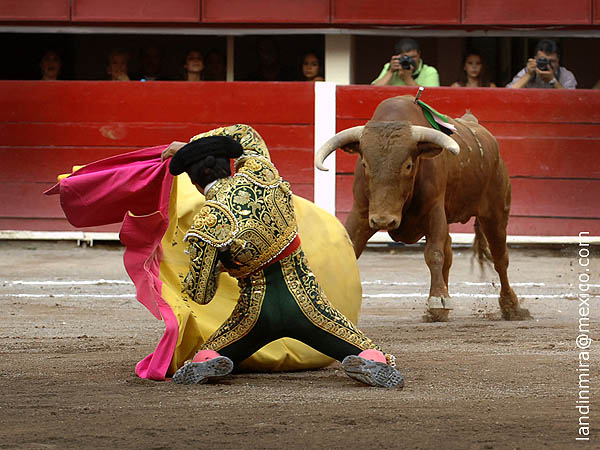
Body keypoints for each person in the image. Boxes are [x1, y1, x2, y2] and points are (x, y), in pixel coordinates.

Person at [160, 124, 404, 388]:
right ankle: (371, 359)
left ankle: (207, 361)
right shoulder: (259, 172)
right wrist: (191, 144)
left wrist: (223, 266)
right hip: (307, 302)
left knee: (212, 351)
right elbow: (245, 132)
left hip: (254, 314)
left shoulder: (206, 223)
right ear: (228, 164)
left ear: (194, 181)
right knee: (360, 345)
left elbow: (200, 295)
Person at [507, 39, 576, 89]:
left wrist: (552, 81)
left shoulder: (566, 75)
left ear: (558, 60)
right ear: (535, 59)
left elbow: (570, 100)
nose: (547, 65)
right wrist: (528, 75)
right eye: (543, 61)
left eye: (552, 61)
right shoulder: (527, 71)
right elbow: (508, 94)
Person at [372, 38, 439, 87]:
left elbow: (430, 96)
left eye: (413, 57)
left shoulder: (429, 71)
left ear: (419, 55)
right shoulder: (390, 67)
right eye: (406, 58)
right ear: (398, 57)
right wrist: (390, 72)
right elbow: (374, 91)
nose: (410, 61)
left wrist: (407, 79)